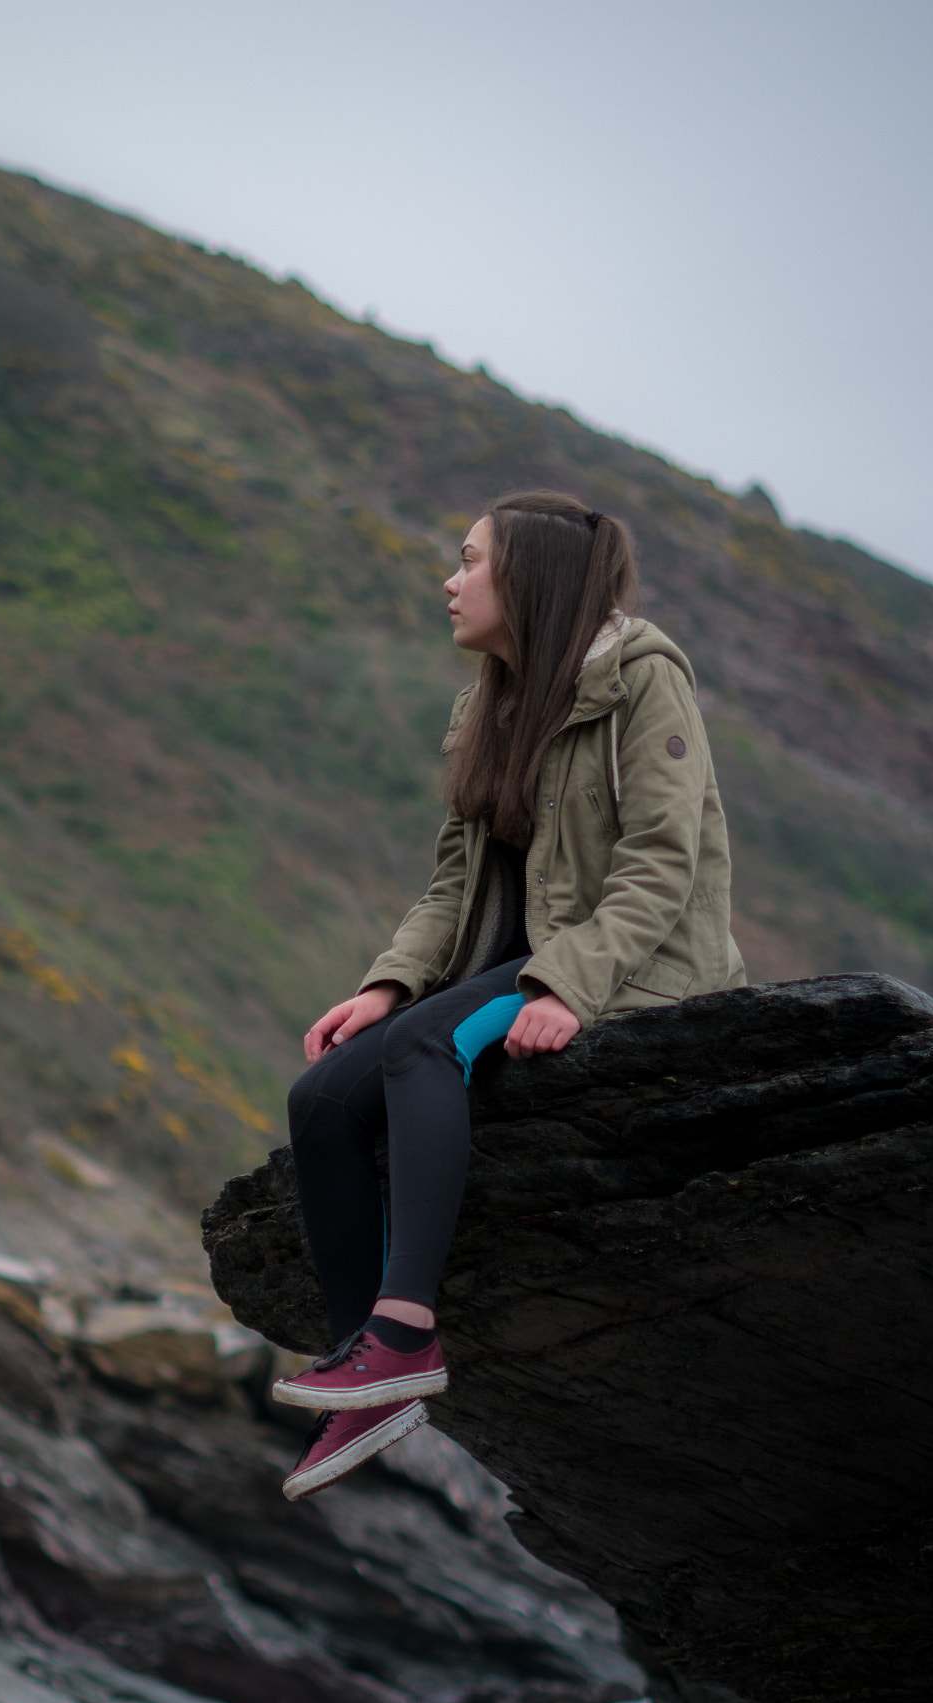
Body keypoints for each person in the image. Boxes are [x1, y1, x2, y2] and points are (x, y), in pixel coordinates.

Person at [277, 489, 745, 1501]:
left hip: (629, 964)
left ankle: (404, 1332)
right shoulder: (483, 702)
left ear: (526, 579)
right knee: (318, 1101)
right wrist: (389, 980)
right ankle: (368, 1373)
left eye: (469, 561)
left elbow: (665, 863)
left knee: (422, 1052)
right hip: (508, 959)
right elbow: (454, 882)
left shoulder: (642, 680)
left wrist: (572, 984)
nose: (449, 581)